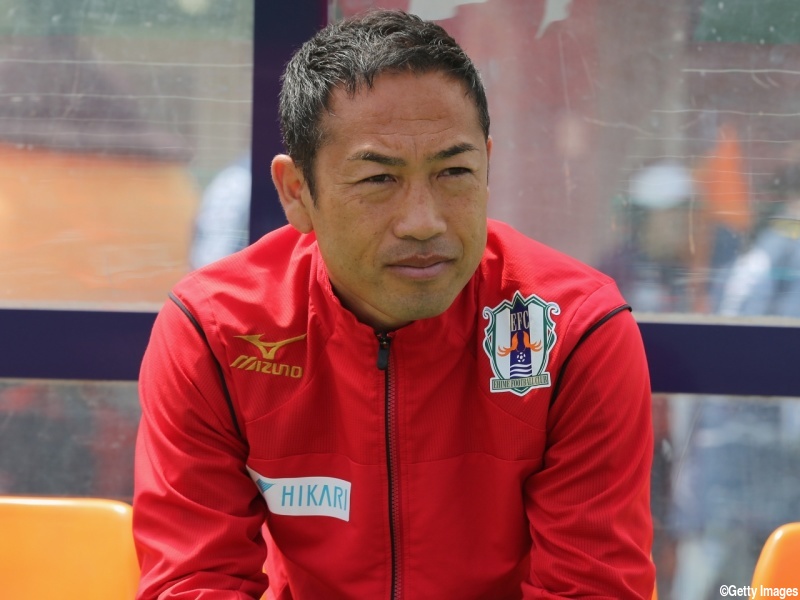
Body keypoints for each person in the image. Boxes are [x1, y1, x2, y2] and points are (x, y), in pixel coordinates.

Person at [133, 9, 654, 599]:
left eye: (454, 171)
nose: (423, 222)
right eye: (379, 179)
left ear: (487, 167)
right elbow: (193, 581)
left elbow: (592, 587)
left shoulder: (575, 330)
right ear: (297, 192)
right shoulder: (215, 331)